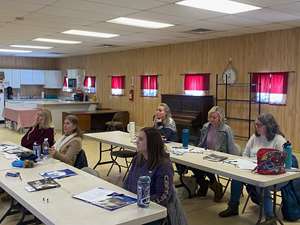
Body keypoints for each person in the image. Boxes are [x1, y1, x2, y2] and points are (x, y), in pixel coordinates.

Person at [219, 113, 286, 224]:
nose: (256, 127)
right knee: (236, 178)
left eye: (259, 125)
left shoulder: (279, 140)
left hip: (272, 174)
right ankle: (233, 207)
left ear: (268, 125)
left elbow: (283, 161)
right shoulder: (255, 137)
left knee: (262, 186)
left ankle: (270, 218)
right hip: (252, 170)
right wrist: (247, 164)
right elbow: (245, 154)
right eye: (255, 124)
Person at [124, 127, 175, 225]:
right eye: (137, 138)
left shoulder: (163, 165)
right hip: (132, 206)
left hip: (151, 211)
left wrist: (141, 203)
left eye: (141, 139)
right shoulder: (138, 158)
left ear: (152, 143)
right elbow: (128, 182)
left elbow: (163, 197)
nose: (136, 142)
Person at [190, 105, 237, 202]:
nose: (211, 119)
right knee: (192, 164)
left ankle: (214, 186)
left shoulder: (226, 129)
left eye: (214, 117)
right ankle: (204, 183)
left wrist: (235, 159)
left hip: (221, 156)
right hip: (206, 153)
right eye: (210, 117)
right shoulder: (206, 126)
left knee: (206, 165)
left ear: (220, 118)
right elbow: (201, 142)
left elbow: (231, 146)